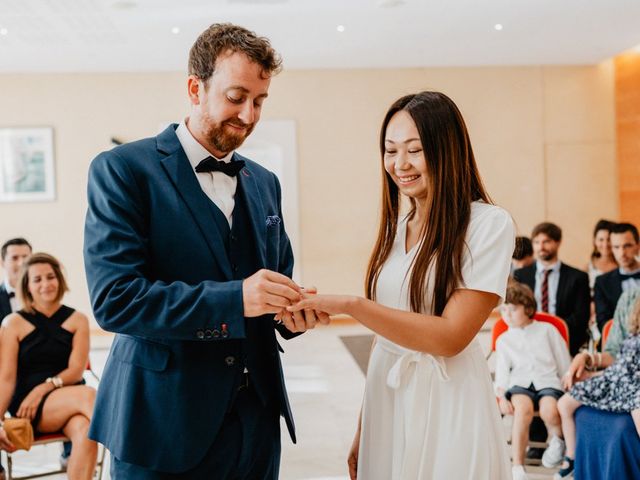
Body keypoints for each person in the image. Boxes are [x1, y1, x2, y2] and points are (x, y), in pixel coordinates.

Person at [83, 23, 323, 479]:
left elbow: (275, 278)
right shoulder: (122, 170)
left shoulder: (265, 183)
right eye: (236, 97)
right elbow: (116, 300)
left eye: (259, 101)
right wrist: (235, 300)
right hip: (161, 422)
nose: (250, 116)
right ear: (195, 88)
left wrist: (292, 314)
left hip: (256, 425)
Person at [287, 91, 515, 479]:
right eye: (390, 150)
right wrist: (365, 425)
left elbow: (450, 337)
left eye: (415, 149)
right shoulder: (397, 228)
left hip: (449, 399)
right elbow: (385, 337)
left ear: (448, 150)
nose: (400, 164)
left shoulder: (487, 225)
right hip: (387, 399)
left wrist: (352, 305)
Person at [0, 253, 97, 479]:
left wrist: (43, 388)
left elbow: (75, 370)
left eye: (50, 277)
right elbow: (6, 378)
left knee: (87, 430)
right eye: (38, 279)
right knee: (91, 397)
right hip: (28, 406)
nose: (46, 284)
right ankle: (133, 455)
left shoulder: (78, 320)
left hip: (66, 394)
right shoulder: (13, 323)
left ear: (59, 280)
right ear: (27, 285)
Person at [556, 294, 640, 479]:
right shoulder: (633, 333)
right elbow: (618, 364)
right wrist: (591, 372)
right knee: (564, 404)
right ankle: (571, 457)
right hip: (616, 379)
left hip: (635, 386)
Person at [494, 283, 571, 480]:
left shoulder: (548, 330)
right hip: (519, 383)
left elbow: (563, 360)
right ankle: (518, 466)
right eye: (504, 309)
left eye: (513, 309)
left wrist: (568, 383)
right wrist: (501, 396)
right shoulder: (504, 340)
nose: (507, 314)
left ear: (528, 308)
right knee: (523, 410)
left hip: (548, 382)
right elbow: (502, 372)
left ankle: (558, 440)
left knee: (550, 411)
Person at [513, 222, 590, 356]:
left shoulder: (578, 277)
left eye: (546, 241)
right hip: (527, 339)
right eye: (536, 242)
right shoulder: (520, 275)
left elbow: (581, 317)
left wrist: (551, 330)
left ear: (558, 242)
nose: (541, 247)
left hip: (564, 339)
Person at [0, 238, 32, 480]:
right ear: (3, 262)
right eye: (15, 257)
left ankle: (70, 454)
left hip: (38, 374)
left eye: (26, 257)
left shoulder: (43, 295)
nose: (21, 263)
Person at [594, 222, 640, 332]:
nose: (622, 253)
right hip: (618, 343)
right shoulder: (602, 282)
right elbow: (603, 323)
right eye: (616, 247)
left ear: (638, 245)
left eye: (627, 246)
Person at [587, 219, 617, 291]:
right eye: (601, 240)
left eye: (609, 239)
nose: (605, 244)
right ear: (595, 241)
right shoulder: (588, 268)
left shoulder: (624, 265)